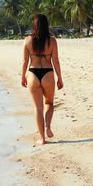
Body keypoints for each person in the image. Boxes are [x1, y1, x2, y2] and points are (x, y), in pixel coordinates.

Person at [21, 14, 64, 145]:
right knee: (49, 103)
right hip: (48, 73)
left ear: (34, 25)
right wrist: (60, 78)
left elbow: (24, 61)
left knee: (38, 108)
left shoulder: (27, 40)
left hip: (33, 73)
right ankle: (48, 127)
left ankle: (42, 138)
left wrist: (23, 76)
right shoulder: (52, 41)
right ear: (47, 25)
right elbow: (56, 61)